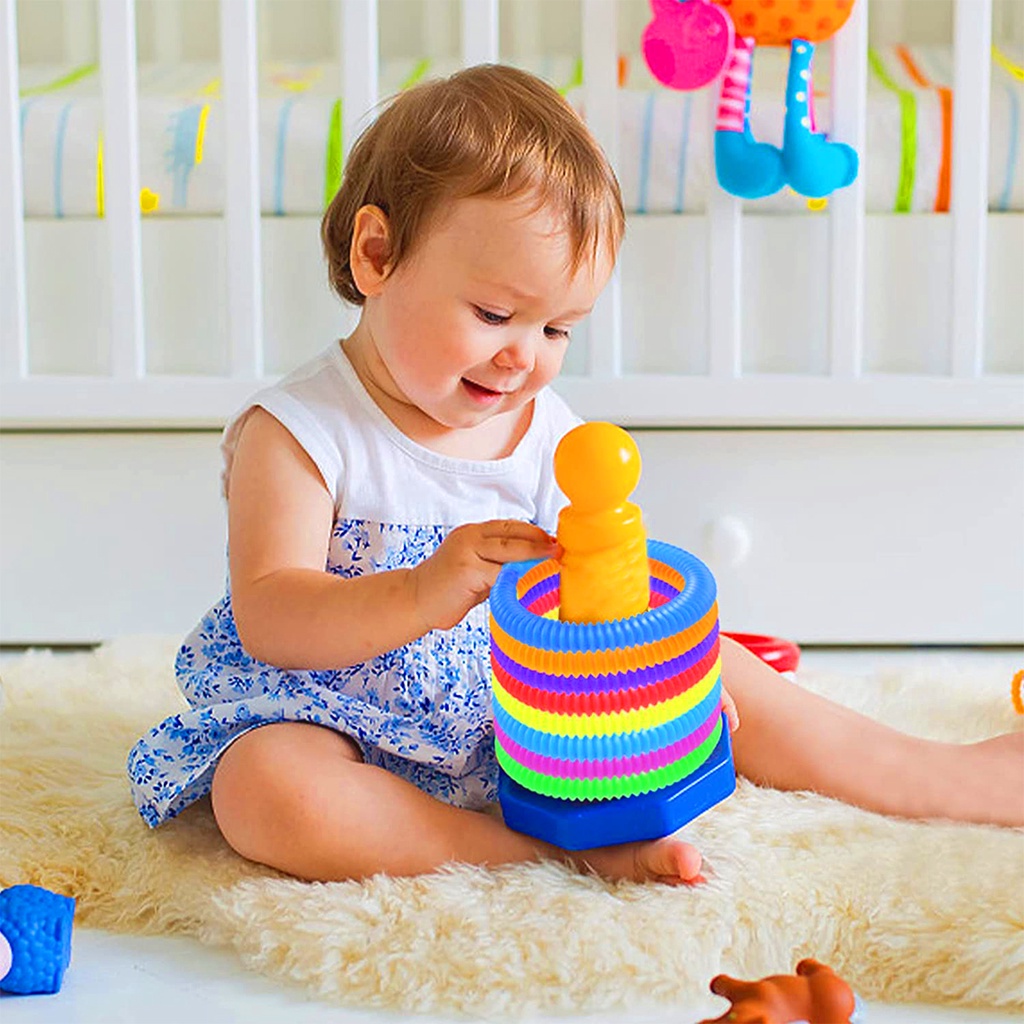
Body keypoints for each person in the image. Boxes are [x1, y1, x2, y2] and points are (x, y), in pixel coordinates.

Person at [127, 65, 1023, 887]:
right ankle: (543, 854)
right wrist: (422, 591)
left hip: (524, 714)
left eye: (557, 329)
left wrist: (665, 692)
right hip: (336, 717)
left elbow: (595, 599)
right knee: (268, 792)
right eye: (494, 313)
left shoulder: (548, 431)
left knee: (718, 660)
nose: (525, 357)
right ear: (376, 256)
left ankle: (934, 774)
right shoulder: (300, 433)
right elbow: (273, 616)